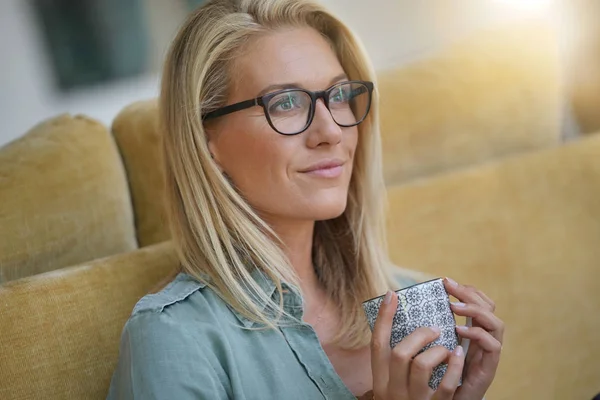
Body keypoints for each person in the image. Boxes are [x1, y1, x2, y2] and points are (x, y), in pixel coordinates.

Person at [107, 0, 504, 398]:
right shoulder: (174, 338)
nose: (330, 131)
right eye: (286, 103)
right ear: (207, 142)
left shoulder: (413, 305)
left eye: (337, 95)